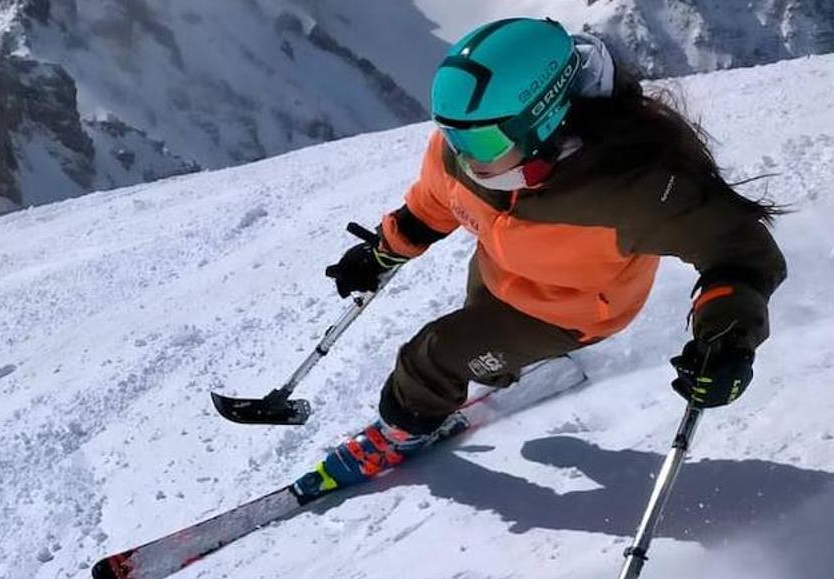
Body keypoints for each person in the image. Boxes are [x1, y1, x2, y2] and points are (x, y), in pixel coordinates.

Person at [295, 17, 786, 496]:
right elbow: (432, 204)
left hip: (571, 311)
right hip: (501, 274)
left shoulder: (632, 187)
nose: (465, 157)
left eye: (481, 141)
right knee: (478, 325)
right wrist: (382, 252)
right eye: (454, 135)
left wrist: (728, 337)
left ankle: (400, 433)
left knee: (432, 356)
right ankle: (500, 362)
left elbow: (739, 251)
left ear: (544, 119)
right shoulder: (474, 157)